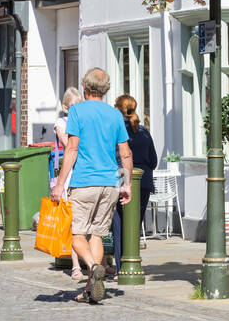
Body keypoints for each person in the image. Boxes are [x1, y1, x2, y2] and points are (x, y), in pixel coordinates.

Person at [50, 68, 132, 304]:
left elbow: (72, 149)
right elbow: (125, 153)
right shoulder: (115, 115)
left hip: (84, 182)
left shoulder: (77, 111)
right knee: (97, 234)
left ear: (85, 88)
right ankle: (90, 289)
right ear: (105, 90)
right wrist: (127, 185)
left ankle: (95, 266)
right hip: (109, 184)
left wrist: (59, 184)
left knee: (76, 234)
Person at [110, 94, 158, 277]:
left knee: (119, 225)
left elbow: (115, 155)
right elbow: (153, 160)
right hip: (144, 182)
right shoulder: (144, 131)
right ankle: (133, 264)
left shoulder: (116, 129)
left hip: (123, 179)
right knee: (134, 225)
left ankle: (121, 268)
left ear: (117, 108)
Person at [51, 87, 85, 282]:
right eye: (75, 106)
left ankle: (96, 262)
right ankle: (75, 266)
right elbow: (68, 144)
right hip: (69, 176)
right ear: (65, 106)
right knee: (73, 223)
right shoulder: (61, 123)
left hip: (84, 175)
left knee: (86, 222)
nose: (78, 110)